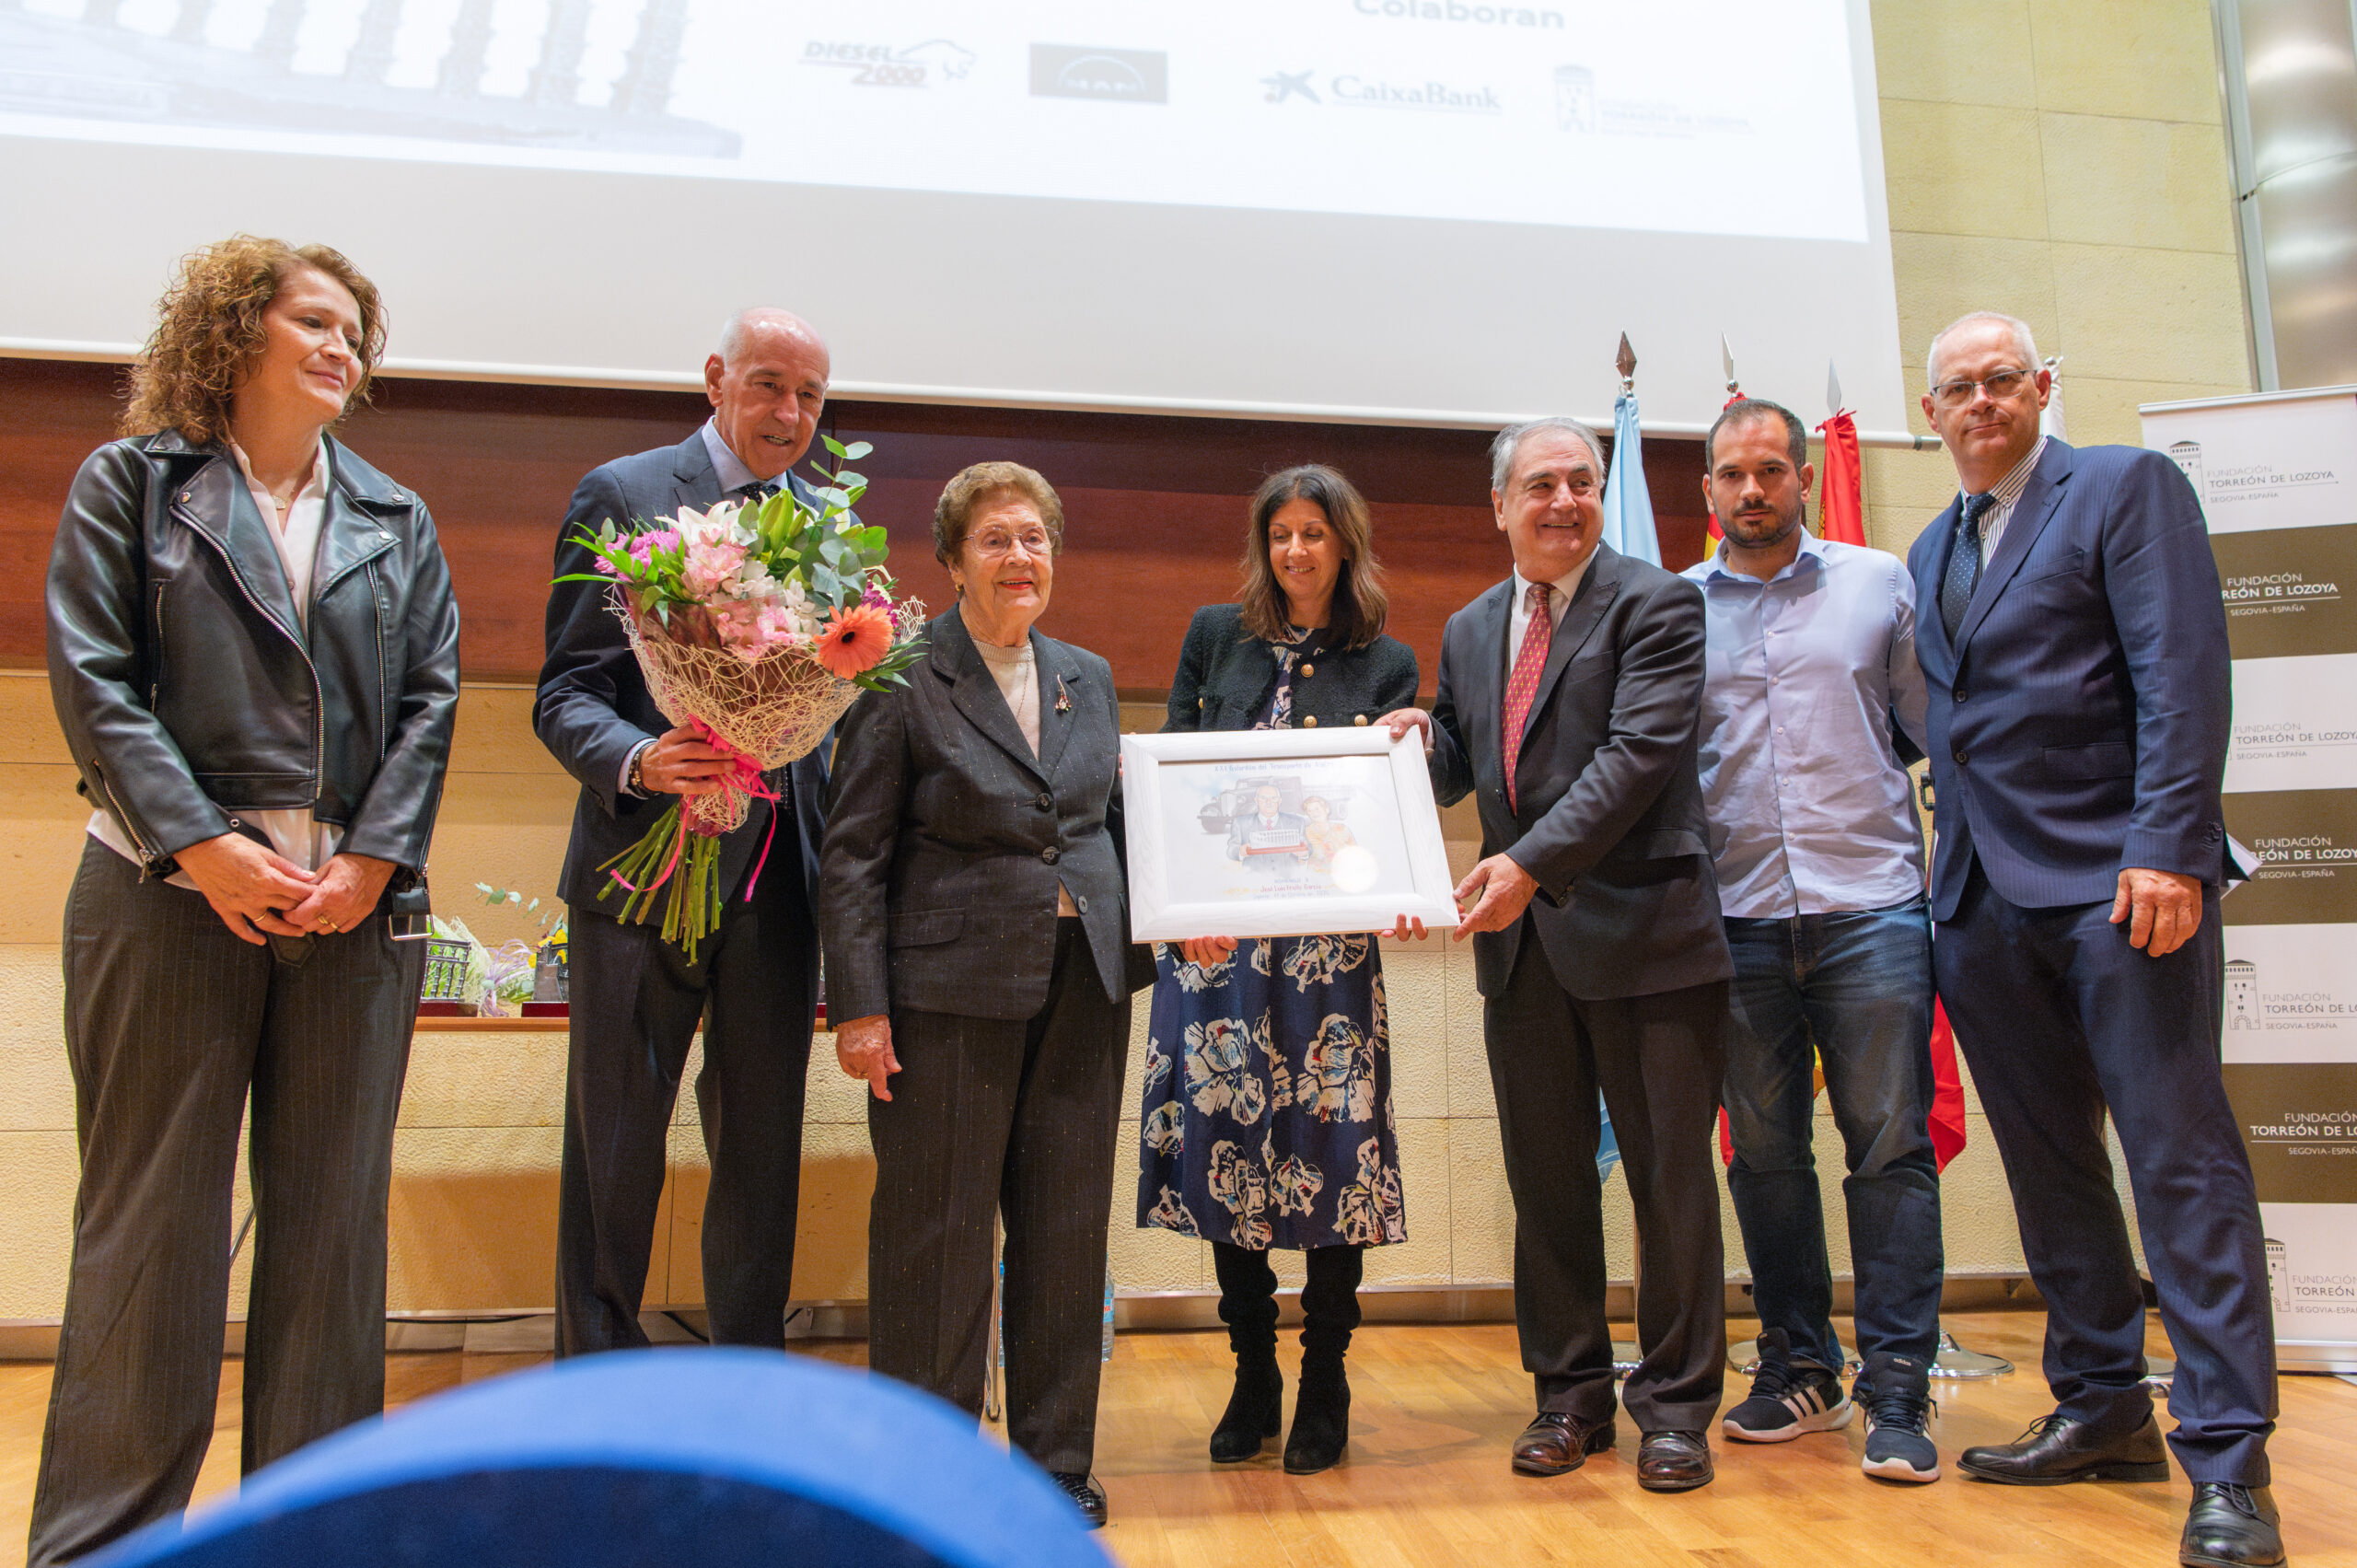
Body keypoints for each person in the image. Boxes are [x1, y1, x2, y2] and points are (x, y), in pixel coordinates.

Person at [34, 236, 459, 1566]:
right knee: (151, 1237)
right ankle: (104, 1544)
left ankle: (310, 1536)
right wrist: (200, 845)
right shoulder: (132, 482)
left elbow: (431, 701)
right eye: (315, 321)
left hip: (352, 916)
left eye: (355, 333)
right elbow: (95, 681)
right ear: (233, 329)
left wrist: (372, 862)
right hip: (162, 899)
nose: (343, 348)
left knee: (330, 1243)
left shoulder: (396, 516)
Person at [1907, 312, 2282, 1565]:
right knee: (2051, 1167)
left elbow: (2182, 669)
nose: (1981, 401)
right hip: (1981, 902)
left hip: (2122, 888)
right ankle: (2104, 1402)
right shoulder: (1933, 544)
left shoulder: (2125, 486)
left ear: (2042, 386)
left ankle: (2228, 1457)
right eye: (1957, 387)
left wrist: (2169, 843)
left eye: (2002, 378)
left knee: (2179, 1163)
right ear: (1931, 412)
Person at [1383, 418, 1732, 1493]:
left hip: (1649, 937)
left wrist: (1528, 863)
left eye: (1583, 480)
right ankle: (1569, 1395)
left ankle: (1675, 1407)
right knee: (1546, 1184)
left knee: (1670, 1183)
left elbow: (1637, 756)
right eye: (1541, 483)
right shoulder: (1472, 624)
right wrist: (1413, 743)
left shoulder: (1658, 602)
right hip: (1524, 952)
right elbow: (1467, 758)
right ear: (1499, 505)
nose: (1565, 500)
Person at [821, 462, 1144, 1530]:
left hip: (1082, 985)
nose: (1020, 557)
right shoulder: (903, 675)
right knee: (937, 1237)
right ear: (953, 560)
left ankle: (1055, 1463)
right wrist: (858, 1004)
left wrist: (1178, 909)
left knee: (1064, 1233)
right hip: (945, 995)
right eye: (996, 538)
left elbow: (1108, 828)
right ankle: (926, 1469)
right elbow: (852, 852)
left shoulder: (1087, 674)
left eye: (1035, 538)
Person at [535, 308, 832, 1354]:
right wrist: (641, 757)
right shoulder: (623, 495)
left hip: (777, 883)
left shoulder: (826, 523)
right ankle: (598, 1380)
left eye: (809, 395)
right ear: (715, 378)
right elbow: (566, 692)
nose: (789, 412)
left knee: (762, 1149)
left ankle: (745, 1370)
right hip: (641, 870)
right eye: (768, 384)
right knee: (614, 1146)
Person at [1137, 465, 1420, 1474]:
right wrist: (1175, 906)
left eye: (1314, 532)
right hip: (1218, 947)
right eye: (1280, 534)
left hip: (1327, 953)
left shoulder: (1387, 661)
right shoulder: (1215, 635)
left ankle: (1324, 1373)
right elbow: (1174, 773)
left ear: (1345, 543)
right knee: (1228, 1144)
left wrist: (1413, 766)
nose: (1295, 550)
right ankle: (1252, 1368)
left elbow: (1387, 810)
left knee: (1333, 1147)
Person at [1683, 399, 1945, 1483]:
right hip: (1736, 917)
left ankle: (1898, 1383)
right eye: (1731, 473)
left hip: (1869, 907)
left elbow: (1927, 731)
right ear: (1707, 490)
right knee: (1764, 1153)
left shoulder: (1878, 582)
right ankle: (1800, 1363)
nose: (1751, 489)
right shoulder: (1675, 606)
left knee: (1888, 1146)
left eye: (1771, 469)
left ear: (1803, 477)